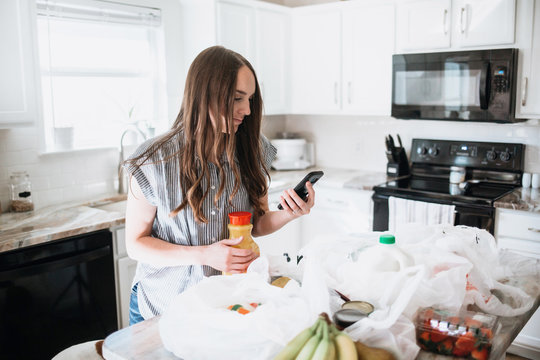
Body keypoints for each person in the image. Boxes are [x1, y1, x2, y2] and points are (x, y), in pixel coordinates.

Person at [124, 46, 316, 325]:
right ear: (205, 95)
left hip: (225, 305)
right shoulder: (155, 160)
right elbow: (136, 245)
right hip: (162, 308)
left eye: (250, 99)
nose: (247, 110)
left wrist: (291, 212)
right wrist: (204, 254)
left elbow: (257, 223)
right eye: (238, 98)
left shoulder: (253, 149)